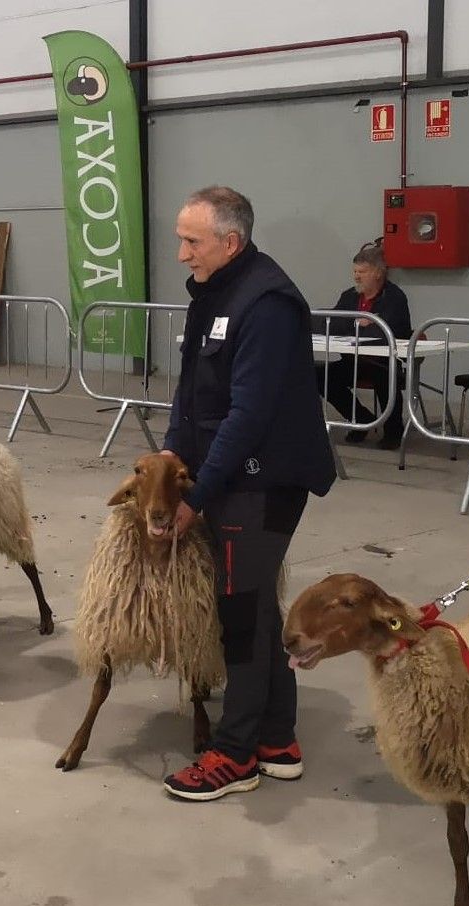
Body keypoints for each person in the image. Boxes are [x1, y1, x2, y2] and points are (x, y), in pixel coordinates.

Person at [157, 186, 336, 801]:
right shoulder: (211, 294)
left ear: (230, 242)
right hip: (226, 475)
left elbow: (248, 414)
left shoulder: (267, 304)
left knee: (241, 615)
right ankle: (277, 739)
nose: (182, 254)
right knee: (257, 608)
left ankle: (234, 756)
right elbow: (192, 391)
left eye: (192, 241)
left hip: (262, 482)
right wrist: (171, 455)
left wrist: (196, 496)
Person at [318, 241, 410, 448]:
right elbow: (334, 323)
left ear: (378, 273)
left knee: (384, 376)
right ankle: (361, 419)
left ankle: (394, 431)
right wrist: (360, 323)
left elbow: (390, 329)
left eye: (362, 271)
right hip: (353, 361)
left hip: (383, 361)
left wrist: (364, 325)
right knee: (321, 375)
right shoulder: (349, 296)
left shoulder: (394, 297)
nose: (356, 276)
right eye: (355, 271)